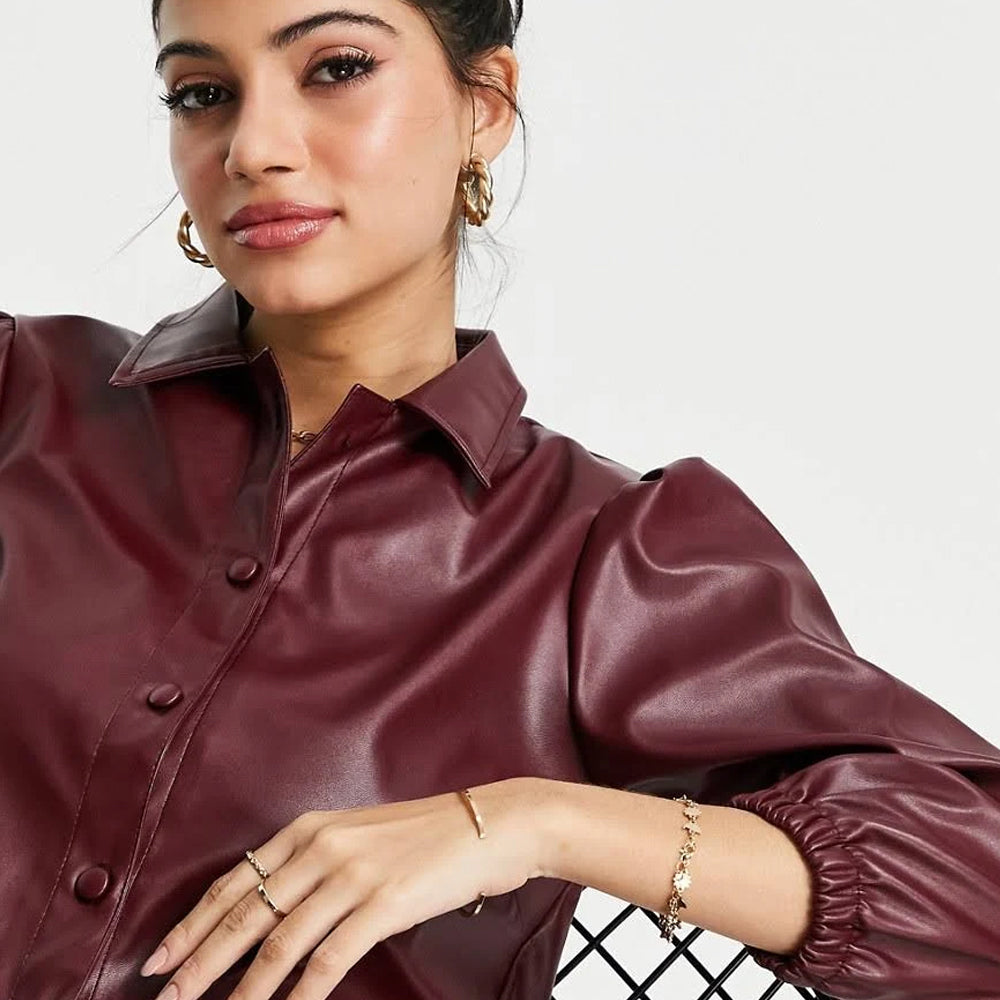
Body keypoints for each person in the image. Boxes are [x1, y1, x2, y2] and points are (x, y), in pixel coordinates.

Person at [2, 2, 999, 999]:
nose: (254, 147)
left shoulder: (605, 557)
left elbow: (970, 888)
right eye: (203, 94)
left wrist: (528, 822)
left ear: (486, 106)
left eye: (335, 68)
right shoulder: (23, 395)